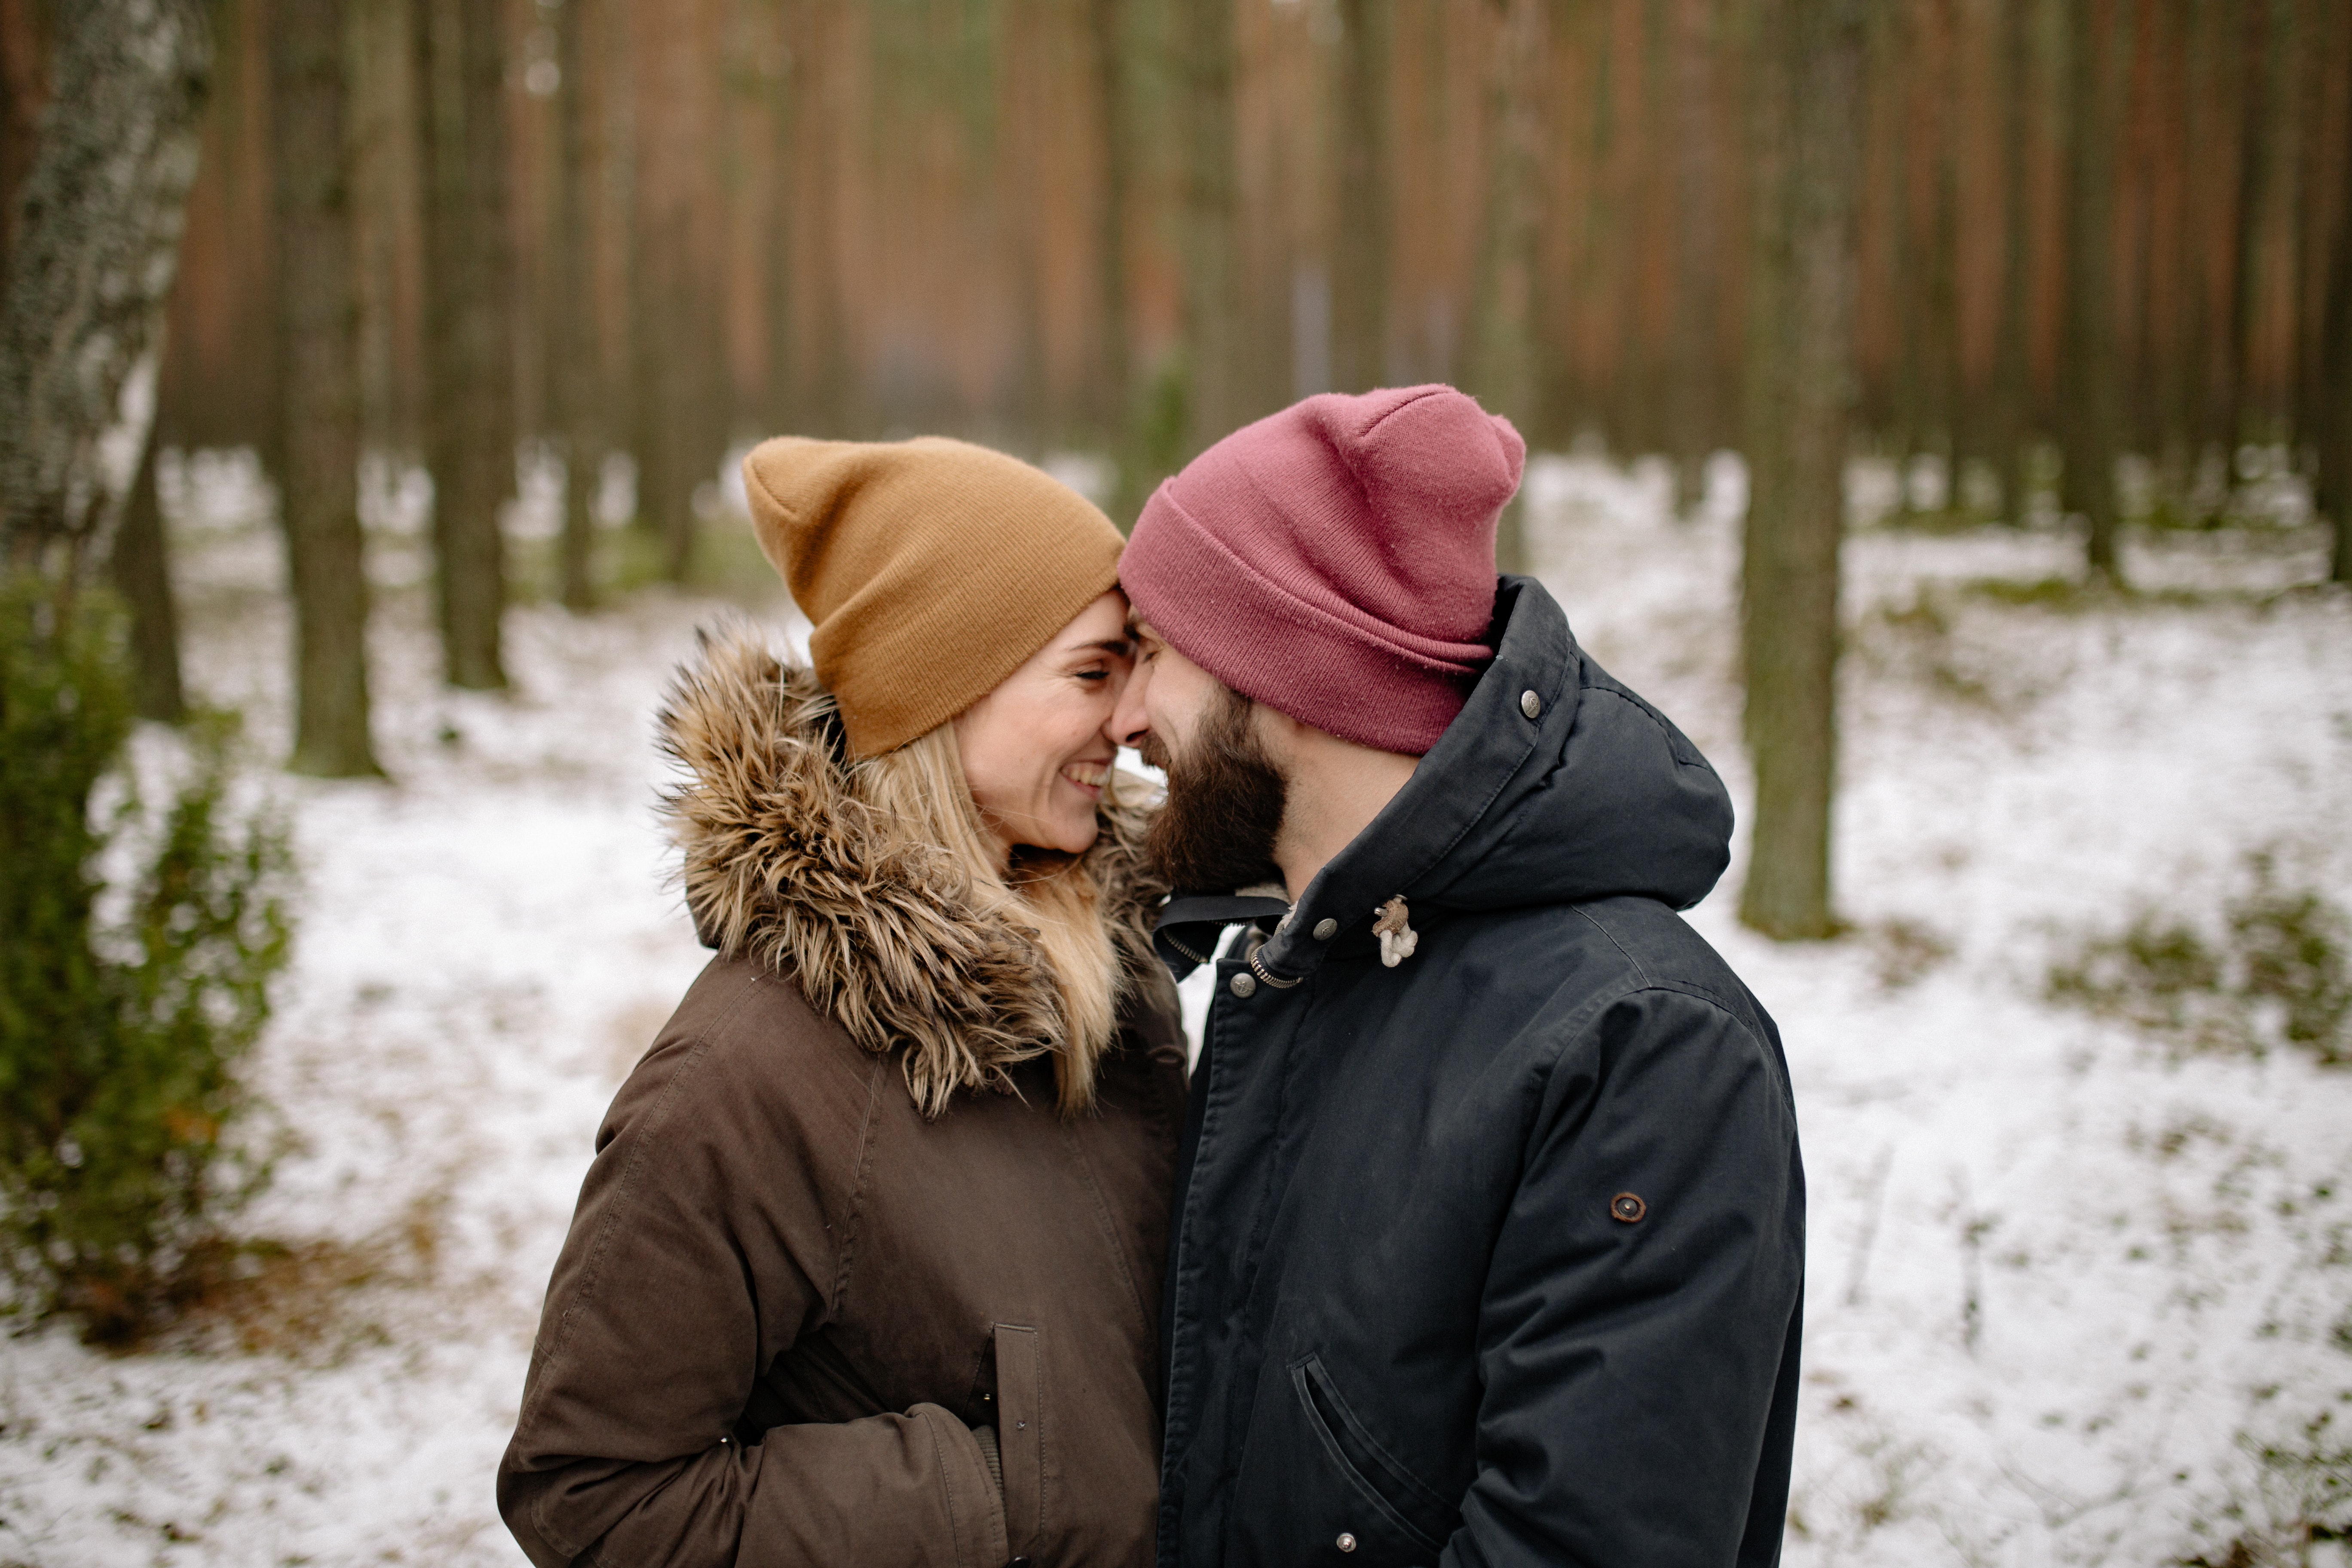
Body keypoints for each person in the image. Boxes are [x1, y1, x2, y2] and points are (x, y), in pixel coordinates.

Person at [1111, 385, 1806, 1567]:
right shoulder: (1295, 967)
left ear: (1284, 671)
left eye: (1156, 653)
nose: (1126, 718)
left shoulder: (1644, 1048)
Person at [499, 436, 1188, 1568]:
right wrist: (1002, 1502)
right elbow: (592, 1495)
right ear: (945, 691)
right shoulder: (744, 1079)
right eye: (1090, 673)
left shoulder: (1117, 983)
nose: (1129, 720)